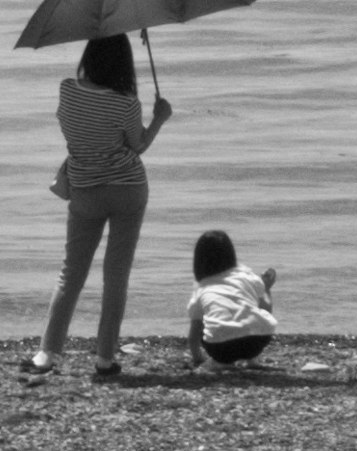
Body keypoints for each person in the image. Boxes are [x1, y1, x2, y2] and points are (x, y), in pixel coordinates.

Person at [28, 33, 172, 380]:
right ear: (123, 62)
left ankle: (46, 355)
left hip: (85, 189)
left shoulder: (67, 90)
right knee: (116, 276)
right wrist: (159, 119)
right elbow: (137, 146)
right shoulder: (126, 103)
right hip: (128, 189)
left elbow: (69, 129)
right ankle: (105, 359)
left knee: (71, 273)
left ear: (89, 56)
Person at [179, 228, 281, 370]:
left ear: (198, 261)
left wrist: (197, 358)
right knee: (255, 312)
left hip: (221, 348)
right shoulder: (247, 277)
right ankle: (251, 360)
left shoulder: (202, 288)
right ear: (231, 254)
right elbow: (266, 308)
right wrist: (267, 289)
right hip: (258, 341)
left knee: (204, 320)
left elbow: (194, 335)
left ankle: (220, 362)